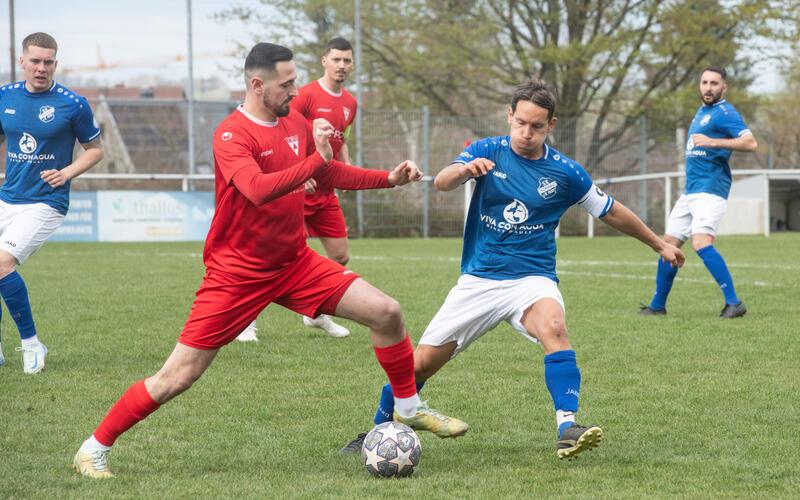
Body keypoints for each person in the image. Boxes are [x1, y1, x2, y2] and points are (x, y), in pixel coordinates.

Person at [72, 42, 465, 479]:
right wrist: (317, 159)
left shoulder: (293, 121)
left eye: (295, 81)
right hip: (237, 273)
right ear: (257, 85)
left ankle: (408, 408)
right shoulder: (231, 135)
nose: (295, 91)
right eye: (287, 83)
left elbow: (327, 173)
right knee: (177, 376)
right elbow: (257, 188)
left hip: (294, 263)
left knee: (387, 312)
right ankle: (94, 447)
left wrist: (387, 180)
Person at [340, 79, 685, 460]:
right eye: (520, 122)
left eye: (536, 126)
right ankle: (376, 431)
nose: (526, 132)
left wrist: (659, 243)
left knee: (555, 327)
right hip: (480, 281)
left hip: (532, 280)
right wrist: (466, 170)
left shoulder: (566, 173)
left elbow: (611, 211)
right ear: (509, 116)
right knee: (418, 365)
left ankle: (567, 426)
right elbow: (441, 182)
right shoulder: (488, 149)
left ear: (551, 126)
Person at [236, 37, 357, 342]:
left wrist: (347, 169)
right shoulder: (302, 96)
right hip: (295, 188)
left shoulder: (351, 103)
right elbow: (285, 134)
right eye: (337, 60)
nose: (342, 66)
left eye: (347, 60)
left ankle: (313, 312)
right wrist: (302, 171)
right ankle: (247, 320)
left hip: (325, 189)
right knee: (272, 258)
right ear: (324, 61)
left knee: (340, 255)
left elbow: (340, 143)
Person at [0, 32, 103, 373]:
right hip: (7, 198)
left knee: (1, 264)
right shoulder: (4, 97)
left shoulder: (73, 104)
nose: (41, 68)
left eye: (48, 62)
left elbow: (96, 151)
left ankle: (31, 345)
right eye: (35, 61)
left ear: (55, 64)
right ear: (22, 62)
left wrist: (67, 172)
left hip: (46, 201)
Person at [640, 65, 756, 318]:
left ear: (723, 87)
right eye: (704, 82)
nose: (708, 87)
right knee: (667, 245)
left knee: (701, 243)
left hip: (711, 189)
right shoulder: (703, 112)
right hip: (691, 191)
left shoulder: (725, 112)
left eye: (714, 83)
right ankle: (657, 306)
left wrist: (715, 142)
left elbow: (750, 142)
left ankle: (734, 303)